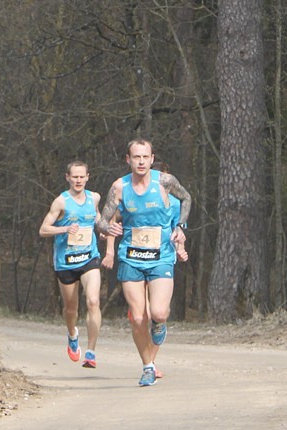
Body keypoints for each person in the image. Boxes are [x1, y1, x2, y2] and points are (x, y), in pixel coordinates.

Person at [97, 139, 191, 386]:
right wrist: (110, 227)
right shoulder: (119, 187)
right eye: (136, 157)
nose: (141, 162)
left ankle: (159, 327)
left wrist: (181, 227)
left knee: (158, 313)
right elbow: (101, 221)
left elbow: (187, 199)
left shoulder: (165, 182)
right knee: (138, 317)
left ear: (152, 159)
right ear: (128, 160)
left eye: (145, 157)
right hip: (131, 257)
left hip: (161, 256)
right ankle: (148, 366)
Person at [39, 161, 103, 368]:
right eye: (74, 177)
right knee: (71, 309)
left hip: (89, 258)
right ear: (68, 177)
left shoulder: (94, 198)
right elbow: (43, 229)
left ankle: (91, 352)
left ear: (87, 177)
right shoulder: (61, 202)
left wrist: (103, 229)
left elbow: (97, 218)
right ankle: (72, 333)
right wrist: (64, 230)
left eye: (81, 177)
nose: (78, 180)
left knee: (93, 301)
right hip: (66, 262)